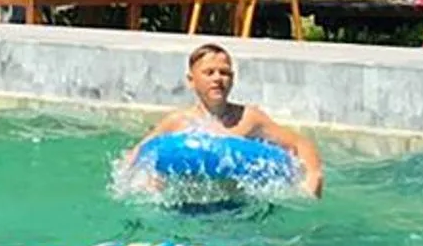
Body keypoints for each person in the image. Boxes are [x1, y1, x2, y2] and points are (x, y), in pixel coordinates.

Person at [125, 42, 325, 197]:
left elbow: (300, 143)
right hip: (185, 205)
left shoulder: (248, 118)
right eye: (209, 72)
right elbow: (140, 153)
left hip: (235, 203)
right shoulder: (177, 122)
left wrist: (313, 178)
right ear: (191, 81)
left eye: (225, 73)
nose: (217, 78)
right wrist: (145, 183)